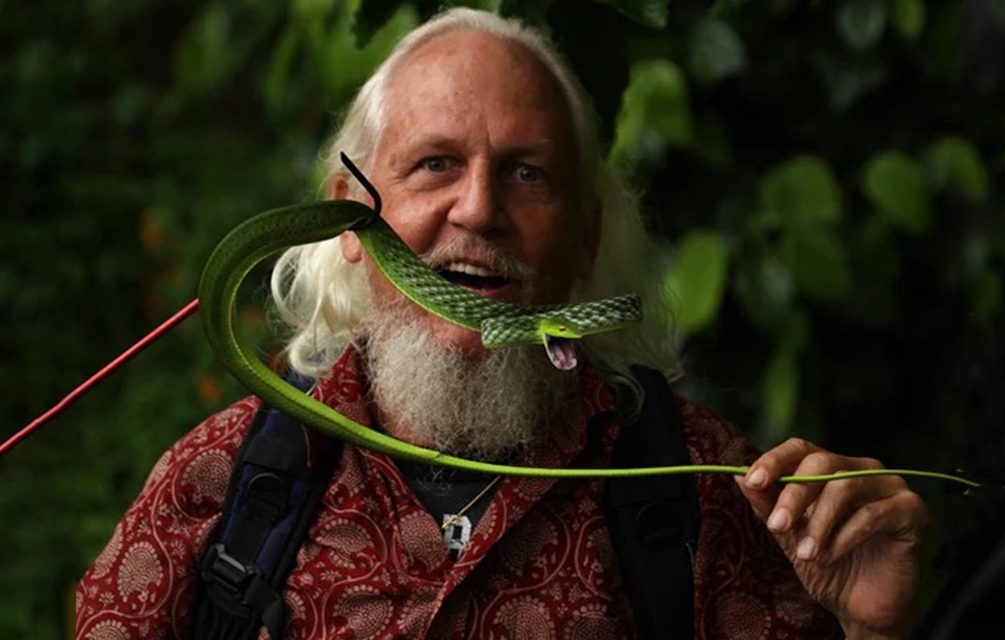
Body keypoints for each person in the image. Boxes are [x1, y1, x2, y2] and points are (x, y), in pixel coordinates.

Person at [75, 8, 928, 640]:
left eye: (527, 175)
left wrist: (872, 633)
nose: (478, 210)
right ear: (346, 221)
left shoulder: (709, 490)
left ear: (587, 236)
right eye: (435, 163)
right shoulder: (220, 484)